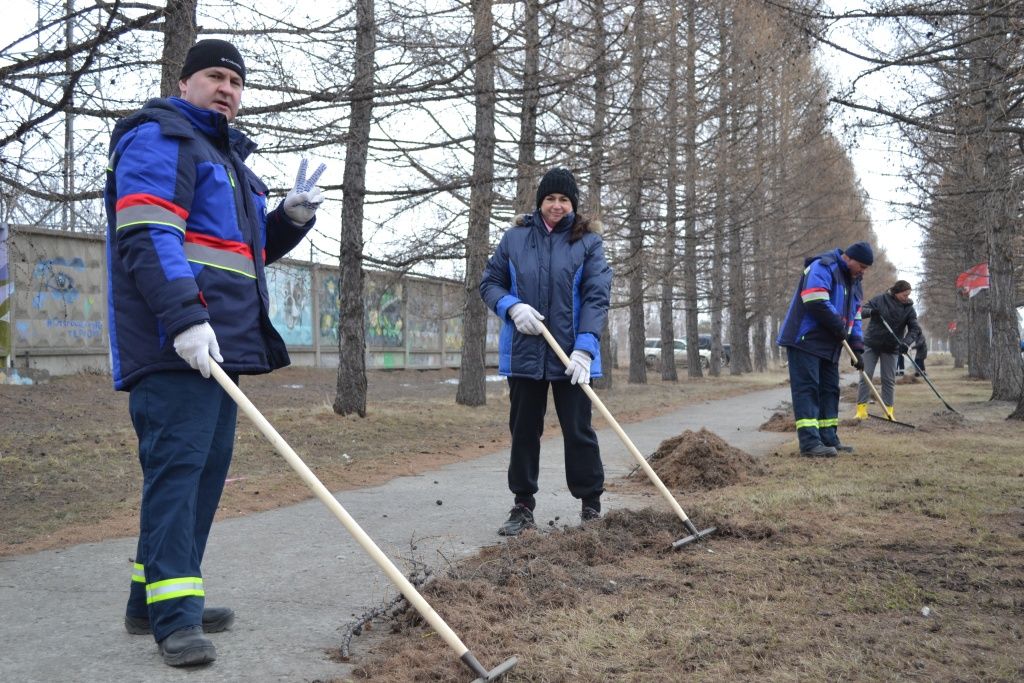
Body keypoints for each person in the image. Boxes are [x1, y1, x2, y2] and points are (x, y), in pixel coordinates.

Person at [104, 39, 326, 667]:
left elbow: (238, 256)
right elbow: (149, 234)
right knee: (178, 475)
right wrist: (185, 318)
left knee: (200, 476)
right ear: (184, 82)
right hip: (173, 343)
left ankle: (150, 601)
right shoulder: (161, 138)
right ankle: (174, 619)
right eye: (214, 76)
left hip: (214, 348)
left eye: (235, 80)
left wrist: (285, 219)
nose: (226, 88)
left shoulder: (227, 159)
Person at [480, 167, 613, 535]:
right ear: (540, 202)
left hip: (572, 357)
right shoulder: (515, 238)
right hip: (525, 354)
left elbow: (596, 297)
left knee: (578, 429)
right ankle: (522, 505)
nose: (556, 205)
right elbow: (489, 282)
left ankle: (590, 506)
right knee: (523, 429)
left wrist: (586, 349)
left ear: (573, 204)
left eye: (564, 199)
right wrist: (510, 306)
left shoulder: (589, 243)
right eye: (550, 198)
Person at [777, 242, 872, 457]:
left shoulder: (856, 283)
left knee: (830, 391)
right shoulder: (823, 266)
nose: (863, 271)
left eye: (866, 268)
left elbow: (855, 317)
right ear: (849, 258)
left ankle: (828, 438)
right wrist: (838, 325)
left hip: (831, 344)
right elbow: (814, 298)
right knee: (808, 390)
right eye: (862, 266)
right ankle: (810, 443)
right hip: (806, 339)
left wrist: (857, 348)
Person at [855, 280, 922, 419]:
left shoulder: (909, 308)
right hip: (872, 343)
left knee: (889, 380)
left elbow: (915, 329)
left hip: (891, 347)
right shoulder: (880, 299)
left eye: (908, 295)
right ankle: (861, 410)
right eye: (904, 295)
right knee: (866, 376)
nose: (907, 297)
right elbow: (860, 312)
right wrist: (872, 312)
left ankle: (888, 412)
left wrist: (906, 343)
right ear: (896, 292)